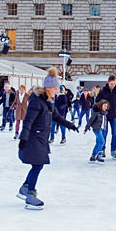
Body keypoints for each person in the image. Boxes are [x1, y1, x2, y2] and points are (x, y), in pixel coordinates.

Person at [16, 68, 78, 209]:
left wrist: (70, 125)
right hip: (33, 138)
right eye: (56, 88)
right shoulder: (37, 101)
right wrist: (23, 138)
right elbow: (28, 121)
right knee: (38, 165)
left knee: (38, 165)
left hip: (41, 138)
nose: (58, 91)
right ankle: (30, 194)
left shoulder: (49, 101)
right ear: (49, 88)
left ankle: (25, 188)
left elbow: (56, 116)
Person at [95, 75, 116, 159]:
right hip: (105, 116)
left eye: (114, 84)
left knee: (114, 134)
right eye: (111, 84)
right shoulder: (103, 91)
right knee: (104, 134)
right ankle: (102, 150)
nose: (112, 85)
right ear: (108, 82)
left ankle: (113, 150)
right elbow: (97, 101)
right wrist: (101, 107)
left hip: (114, 115)